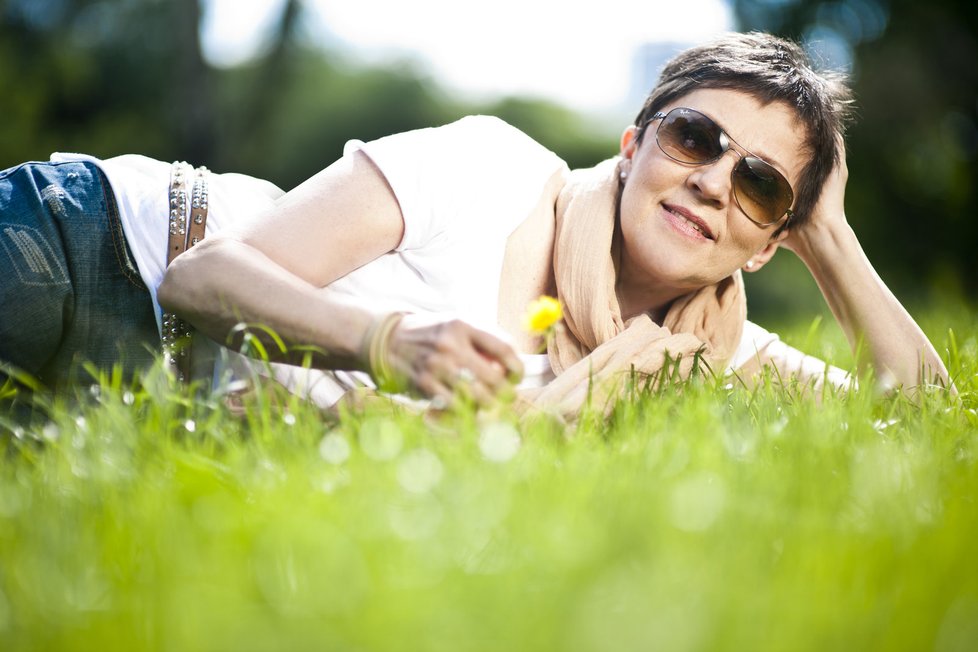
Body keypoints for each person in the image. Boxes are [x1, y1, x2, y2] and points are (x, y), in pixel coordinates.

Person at [0, 32, 950, 418]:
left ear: (775, 236)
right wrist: (384, 343)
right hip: (90, 251)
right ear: (633, 145)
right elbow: (202, 278)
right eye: (694, 137)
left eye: (760, 186)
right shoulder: (493, 166)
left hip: (139, 417)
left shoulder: (705, 355)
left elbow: (925, 417)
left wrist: (831, 232)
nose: (710, 182)